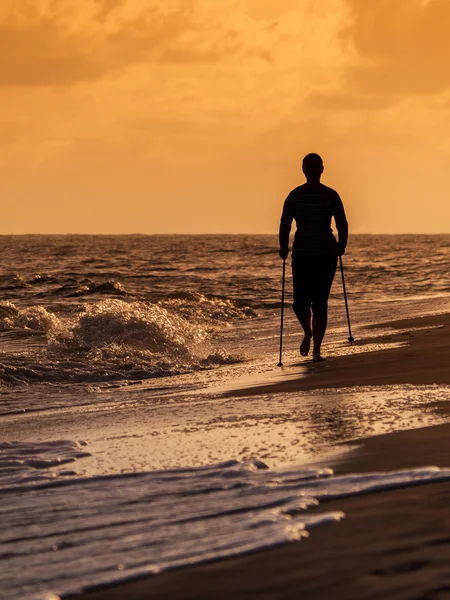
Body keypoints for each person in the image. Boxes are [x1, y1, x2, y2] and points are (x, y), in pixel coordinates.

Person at [279, 153, 348, 362]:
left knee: (320, 302)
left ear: (321, 170)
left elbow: (342, 222)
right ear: (303, 170)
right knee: (299, 303)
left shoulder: (331, 195)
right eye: (308, 167)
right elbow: (285, 223)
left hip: (326, 254)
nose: (311, 170)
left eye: (314, 167)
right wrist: (283, 245)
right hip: (301, 254)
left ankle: (317, 350)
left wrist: (341, 245)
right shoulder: (294, 195)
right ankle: (308, 333)